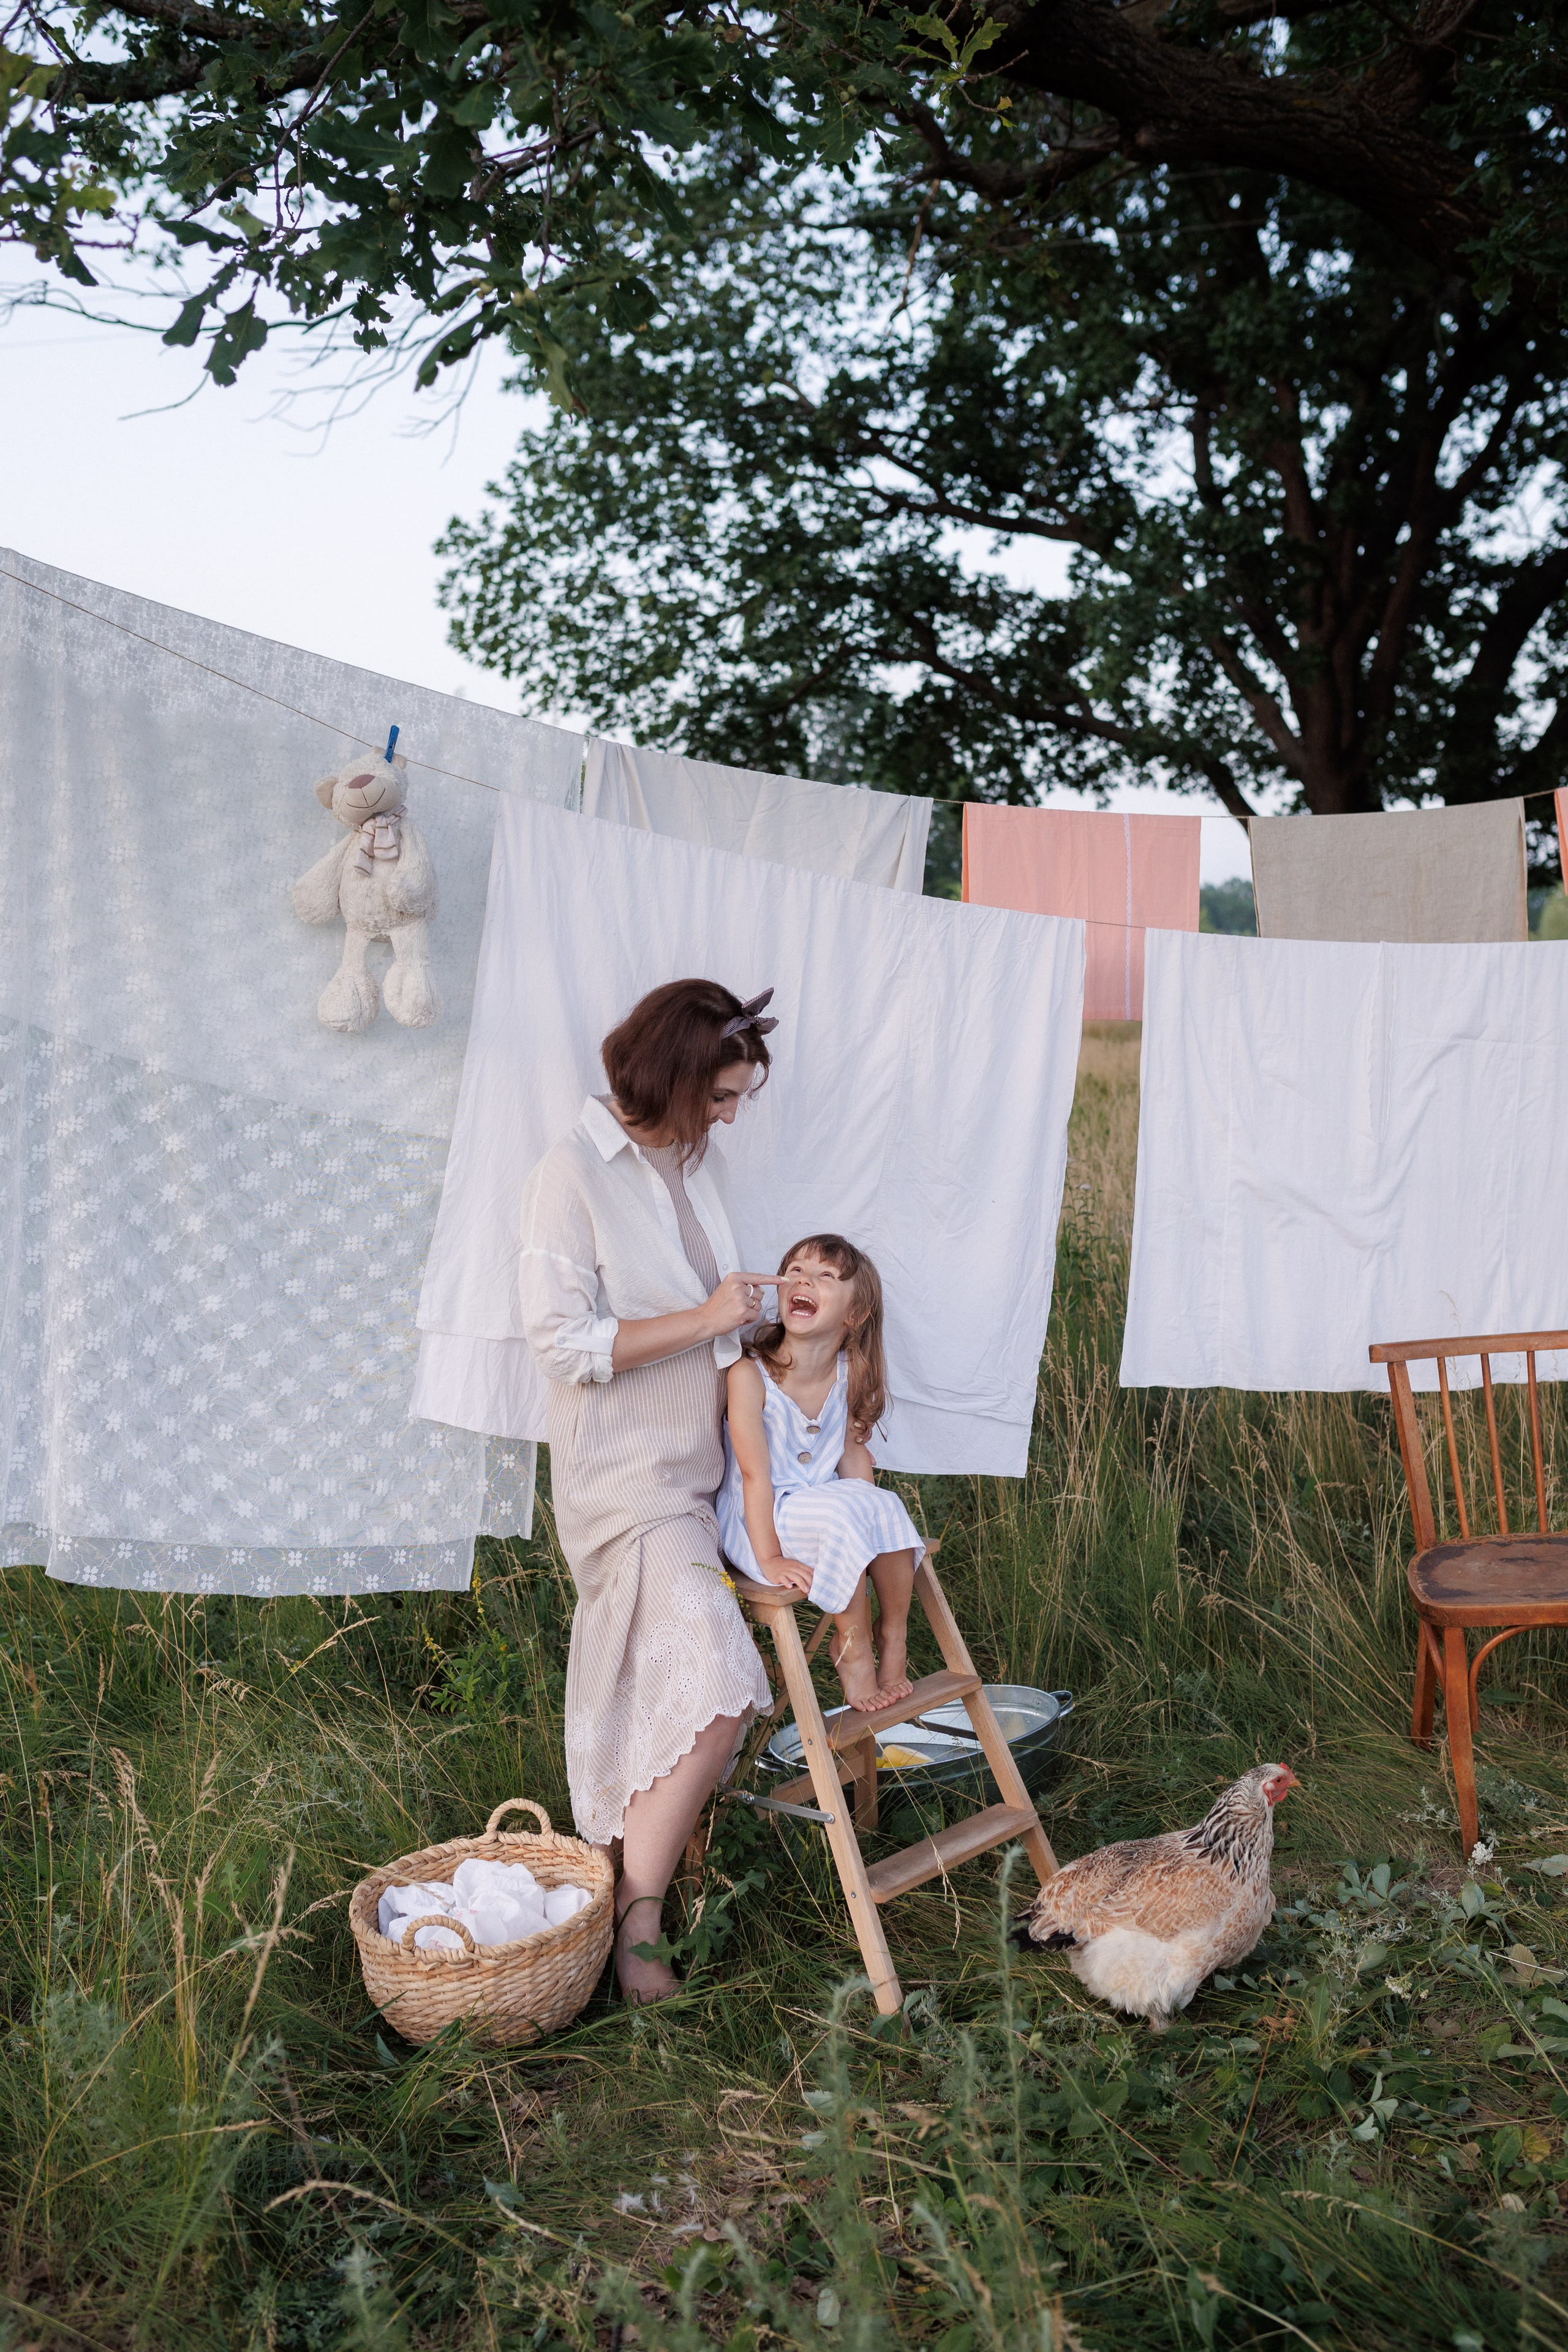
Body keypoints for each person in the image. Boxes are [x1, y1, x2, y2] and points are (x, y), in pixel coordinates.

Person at [517, 978, 780, 2004]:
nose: (727, 1118)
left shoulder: (687, 1163)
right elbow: (562, 1345)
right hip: (626, 1481)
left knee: (704, 1674)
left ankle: (632, 1894)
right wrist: (710, 1314)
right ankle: (638, 1921)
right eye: (718, 1097)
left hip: (701, 1468)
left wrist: (755, 1320)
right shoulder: (570, 1172)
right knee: (720, 1681)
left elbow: (710, 1325)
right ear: (670, 1078)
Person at [717, 1235, 924, 1712]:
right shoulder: (750, 1375)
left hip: (826, 1506)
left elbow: (853, 1461)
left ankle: (893, 1636)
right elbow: (753, 1476)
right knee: (845, 1515)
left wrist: (870, 1524)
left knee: (882, 1505)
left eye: (825, 1276)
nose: (803, 1280)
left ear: (854, 1316)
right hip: (762, 1520)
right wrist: (768, 1558)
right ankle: (854, 1654)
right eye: (794, 1270)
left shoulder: (850, 1372)